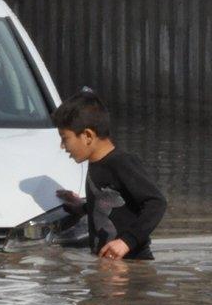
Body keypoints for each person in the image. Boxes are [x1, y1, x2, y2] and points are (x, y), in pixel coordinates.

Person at [52, 90, 166, 260]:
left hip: (133, 264)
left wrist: (126, 242)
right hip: (108, 264)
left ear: (88, 136)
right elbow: (109, 204)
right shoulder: (96, 164)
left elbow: (156, 202)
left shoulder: (121, 162)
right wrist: (82, 207)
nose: (63, 146)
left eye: (65, 138)